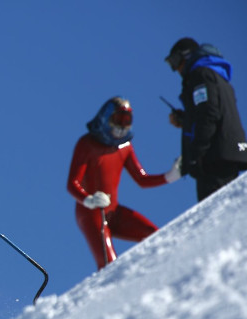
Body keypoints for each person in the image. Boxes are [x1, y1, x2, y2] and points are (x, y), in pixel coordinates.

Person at [67, 97, 181, 270]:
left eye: (126, 121)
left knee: (155, 236)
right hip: (92, 214)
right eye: (118, 119)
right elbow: (72, 183)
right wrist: (89, 199)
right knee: (108, 264)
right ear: (106, 118)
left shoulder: (125, 147)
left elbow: (141, 179)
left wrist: (170, 176)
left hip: (114, 211)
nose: (121, 126)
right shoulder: (87, 144)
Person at [164, 38, 247, 201]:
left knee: (216, 212)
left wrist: (197, 153)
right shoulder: (217, 77)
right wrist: (186, 120)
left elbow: (208, 114)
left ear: (186, 56)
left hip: (214, 158)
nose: (176, 70)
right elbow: (214, 111)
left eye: (175, 61)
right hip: (227, 151)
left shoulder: (200, 75)